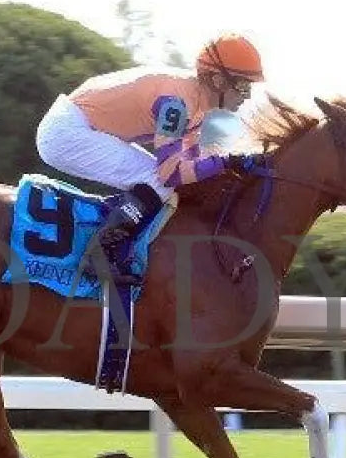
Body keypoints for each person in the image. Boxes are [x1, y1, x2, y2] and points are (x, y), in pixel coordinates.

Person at [35, 33, 268, 282]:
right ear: (219, 80)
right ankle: (99, 256)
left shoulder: (197, 106)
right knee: (157, 180)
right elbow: (171, 173)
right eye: (243, 86)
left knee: (160, 183)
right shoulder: (176, 103)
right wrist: (226, 161)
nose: (247, 96)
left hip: (77, 126)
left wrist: (229, 166)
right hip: (67, 132)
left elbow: (188, 168)